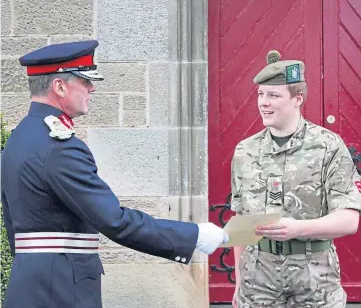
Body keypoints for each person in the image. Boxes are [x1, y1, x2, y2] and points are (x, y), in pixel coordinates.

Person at [1, 40, 229, 308]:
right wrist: (194, 235)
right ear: (60, 87)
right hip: (60, 289)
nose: (92, 88)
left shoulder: (19, 138)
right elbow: (114, 220)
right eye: (84, 81)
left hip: (32, 284)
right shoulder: (59, 146)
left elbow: (14, 226)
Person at [231, 50, 361, 308]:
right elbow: (241, 221)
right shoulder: (244, 151)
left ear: (297, 98)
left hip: (315, 282)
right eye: (261, 94)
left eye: (273, 95)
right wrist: (238, 282)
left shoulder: (328, 146)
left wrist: (298, 229)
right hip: (258, 283)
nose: (263, 103)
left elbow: (349, 220)